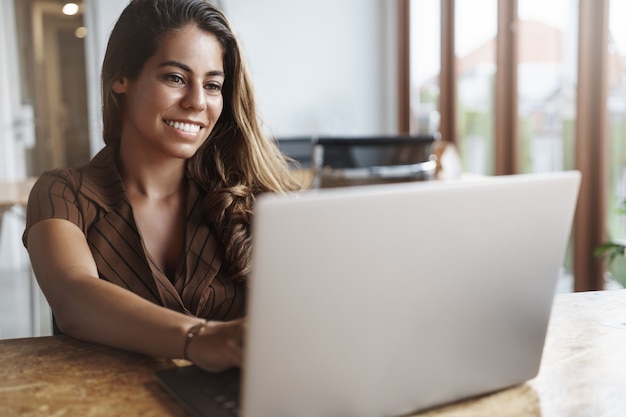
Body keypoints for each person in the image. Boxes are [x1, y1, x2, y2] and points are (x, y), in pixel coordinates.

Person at [22, 0, 299, 372]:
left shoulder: (251, 194)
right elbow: (73, 297)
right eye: (175, 78)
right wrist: (199, 338)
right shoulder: (64, 192)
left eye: (213, 84)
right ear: (121, 78)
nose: (197, 102)